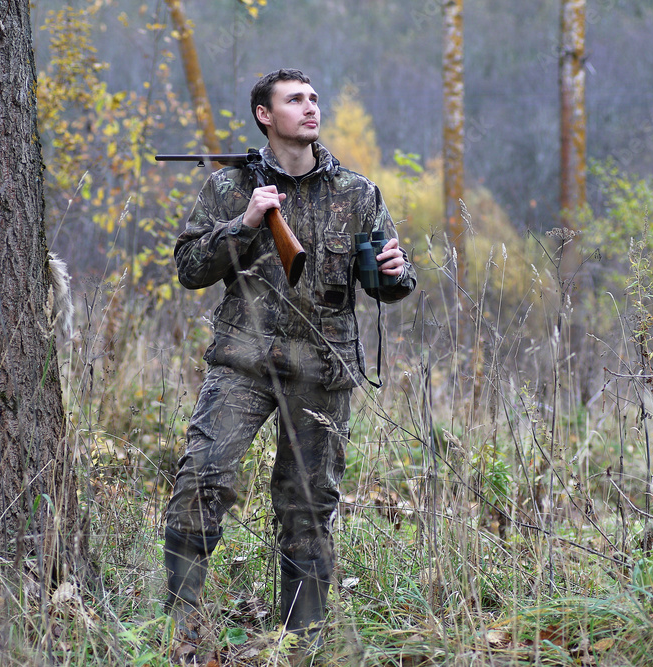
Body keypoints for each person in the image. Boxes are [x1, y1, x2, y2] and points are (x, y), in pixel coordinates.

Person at [163, 68, 417, 649]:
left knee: (308, 506)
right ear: (264, 115)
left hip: (322, 368)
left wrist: (396, 274)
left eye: (313, 99)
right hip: (244, 362)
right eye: (294, 100)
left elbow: (387, 280)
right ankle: (177, 629)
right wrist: (247, 222)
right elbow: (189, 271)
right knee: (202, 479)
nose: (310, 108)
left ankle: (301, 643)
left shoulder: (357, 192)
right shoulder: (230, 189)